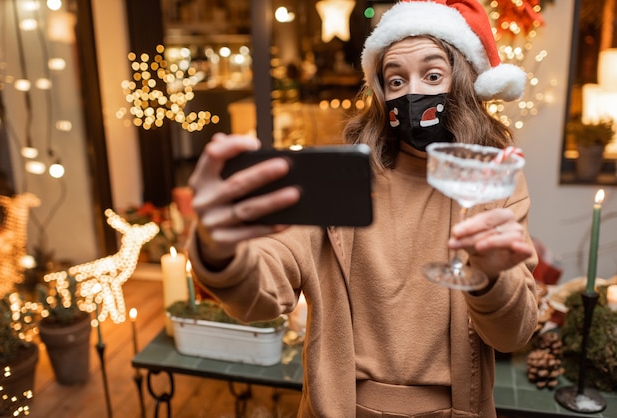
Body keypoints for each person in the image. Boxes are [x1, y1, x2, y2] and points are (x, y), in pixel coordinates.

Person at [186, 0, 538, 416]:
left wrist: (490, 277)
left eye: (432, 75)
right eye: (395, 80)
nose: (413, 93)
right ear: (380, 93)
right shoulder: (340, 177)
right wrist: (219, 248)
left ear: (462, 82)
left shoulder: (494, 182)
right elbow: (265, 290)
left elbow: (514, 334)